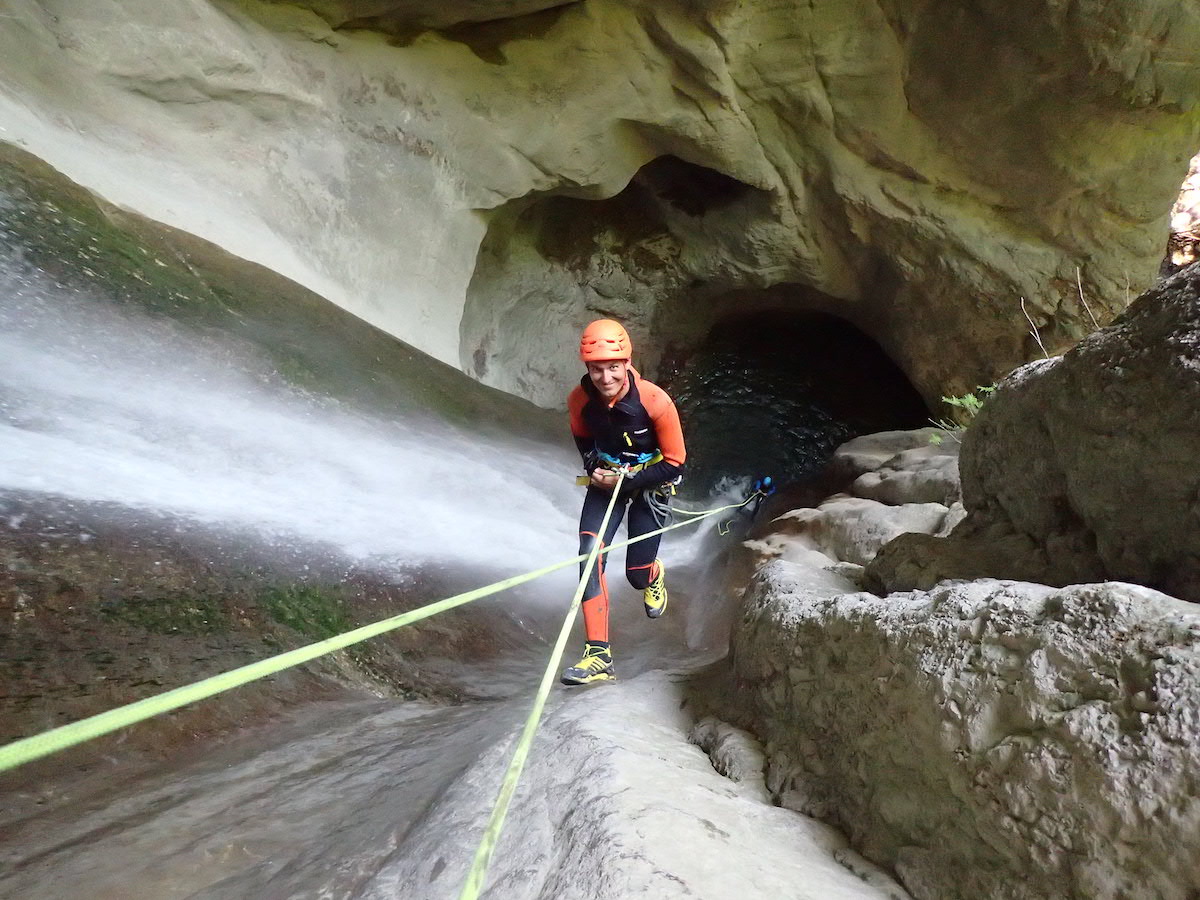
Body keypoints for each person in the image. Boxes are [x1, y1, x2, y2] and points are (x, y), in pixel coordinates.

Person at [561, 319, 687, 686]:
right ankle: (598, 656)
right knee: (589, 557)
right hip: (607, 482)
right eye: (596, 368)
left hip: (651, 482)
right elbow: (584, 441)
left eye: (613, 367)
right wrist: (594, 467)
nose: (605, 377)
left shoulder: (653, 400)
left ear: (627, 362)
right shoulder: (579, 401)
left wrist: (628, 479)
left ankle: (652, 573)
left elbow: (676, 461)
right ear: (587, 368)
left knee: (635, 576)